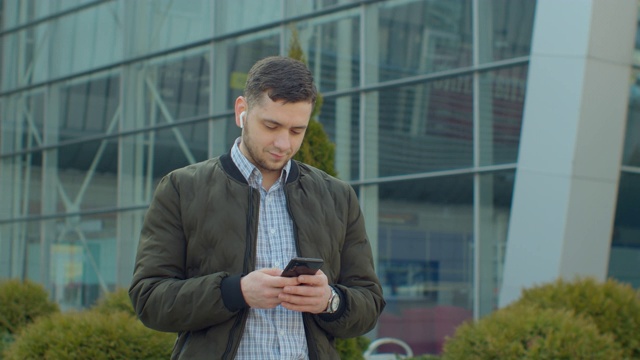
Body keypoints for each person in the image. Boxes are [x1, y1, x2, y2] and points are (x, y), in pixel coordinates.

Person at [129, 56, 385, 360]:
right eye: (271, 125)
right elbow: (149, 298)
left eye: (296, 131)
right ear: (242, 111)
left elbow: (369, 301)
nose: (282, 143)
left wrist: (330, 301)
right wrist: (235, 292)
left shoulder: (337, 197)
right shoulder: (181, 189)